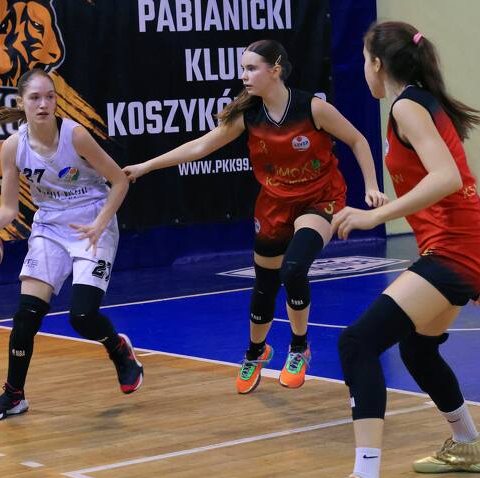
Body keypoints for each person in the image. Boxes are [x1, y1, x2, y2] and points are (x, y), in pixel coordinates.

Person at [300, 22, 480, 478]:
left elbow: (447, 177)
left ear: (376, 63)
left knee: (357, 343)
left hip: (458, 248)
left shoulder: (407, 107)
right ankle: (469, 444)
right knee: (418, 349)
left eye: (364, 58)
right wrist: (476, 259)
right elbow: (458, 178)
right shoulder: (417, 103)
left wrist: (375, 215)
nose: (363, 67)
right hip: (463, 247)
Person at [124, 40, 386, 393]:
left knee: (293, 269)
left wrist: (371, 185)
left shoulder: (312, 108)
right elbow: (200, 146)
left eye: (251, 68)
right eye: (243, 69)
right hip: (274, 205)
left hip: (319, 199)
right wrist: (147, 165)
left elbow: (358, 140)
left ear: (274, 70)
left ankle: (299, 348)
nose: (244, 76)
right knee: (265, 284)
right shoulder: (248, 116)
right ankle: (256, 351)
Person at [0, 68, 142, 422]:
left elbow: (119, 181)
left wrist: (100, 224)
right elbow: (8, 208)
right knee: (25, 316)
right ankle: (14, 394)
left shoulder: (75, 135)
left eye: (49, 97)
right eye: (35, 98)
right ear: (21, 102)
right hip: (50, 225)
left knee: (82, 316)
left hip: (92, 221)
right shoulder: (13, 146)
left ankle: (117, 347)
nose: (43, 104)